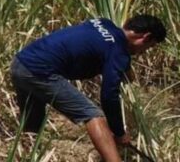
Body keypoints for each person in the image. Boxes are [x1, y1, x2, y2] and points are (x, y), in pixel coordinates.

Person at [11, 15, 166, 162]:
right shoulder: (118, 51)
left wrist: (124, 66)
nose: (142, 53)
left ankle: (25, 156)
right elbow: (109, 96)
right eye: (147, 47)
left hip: (20, 63)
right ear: (145, 37)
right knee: (93, 115)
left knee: (32, 125)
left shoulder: (103, 23)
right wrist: (119, 132)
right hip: (39, 71)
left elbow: (99, 43)